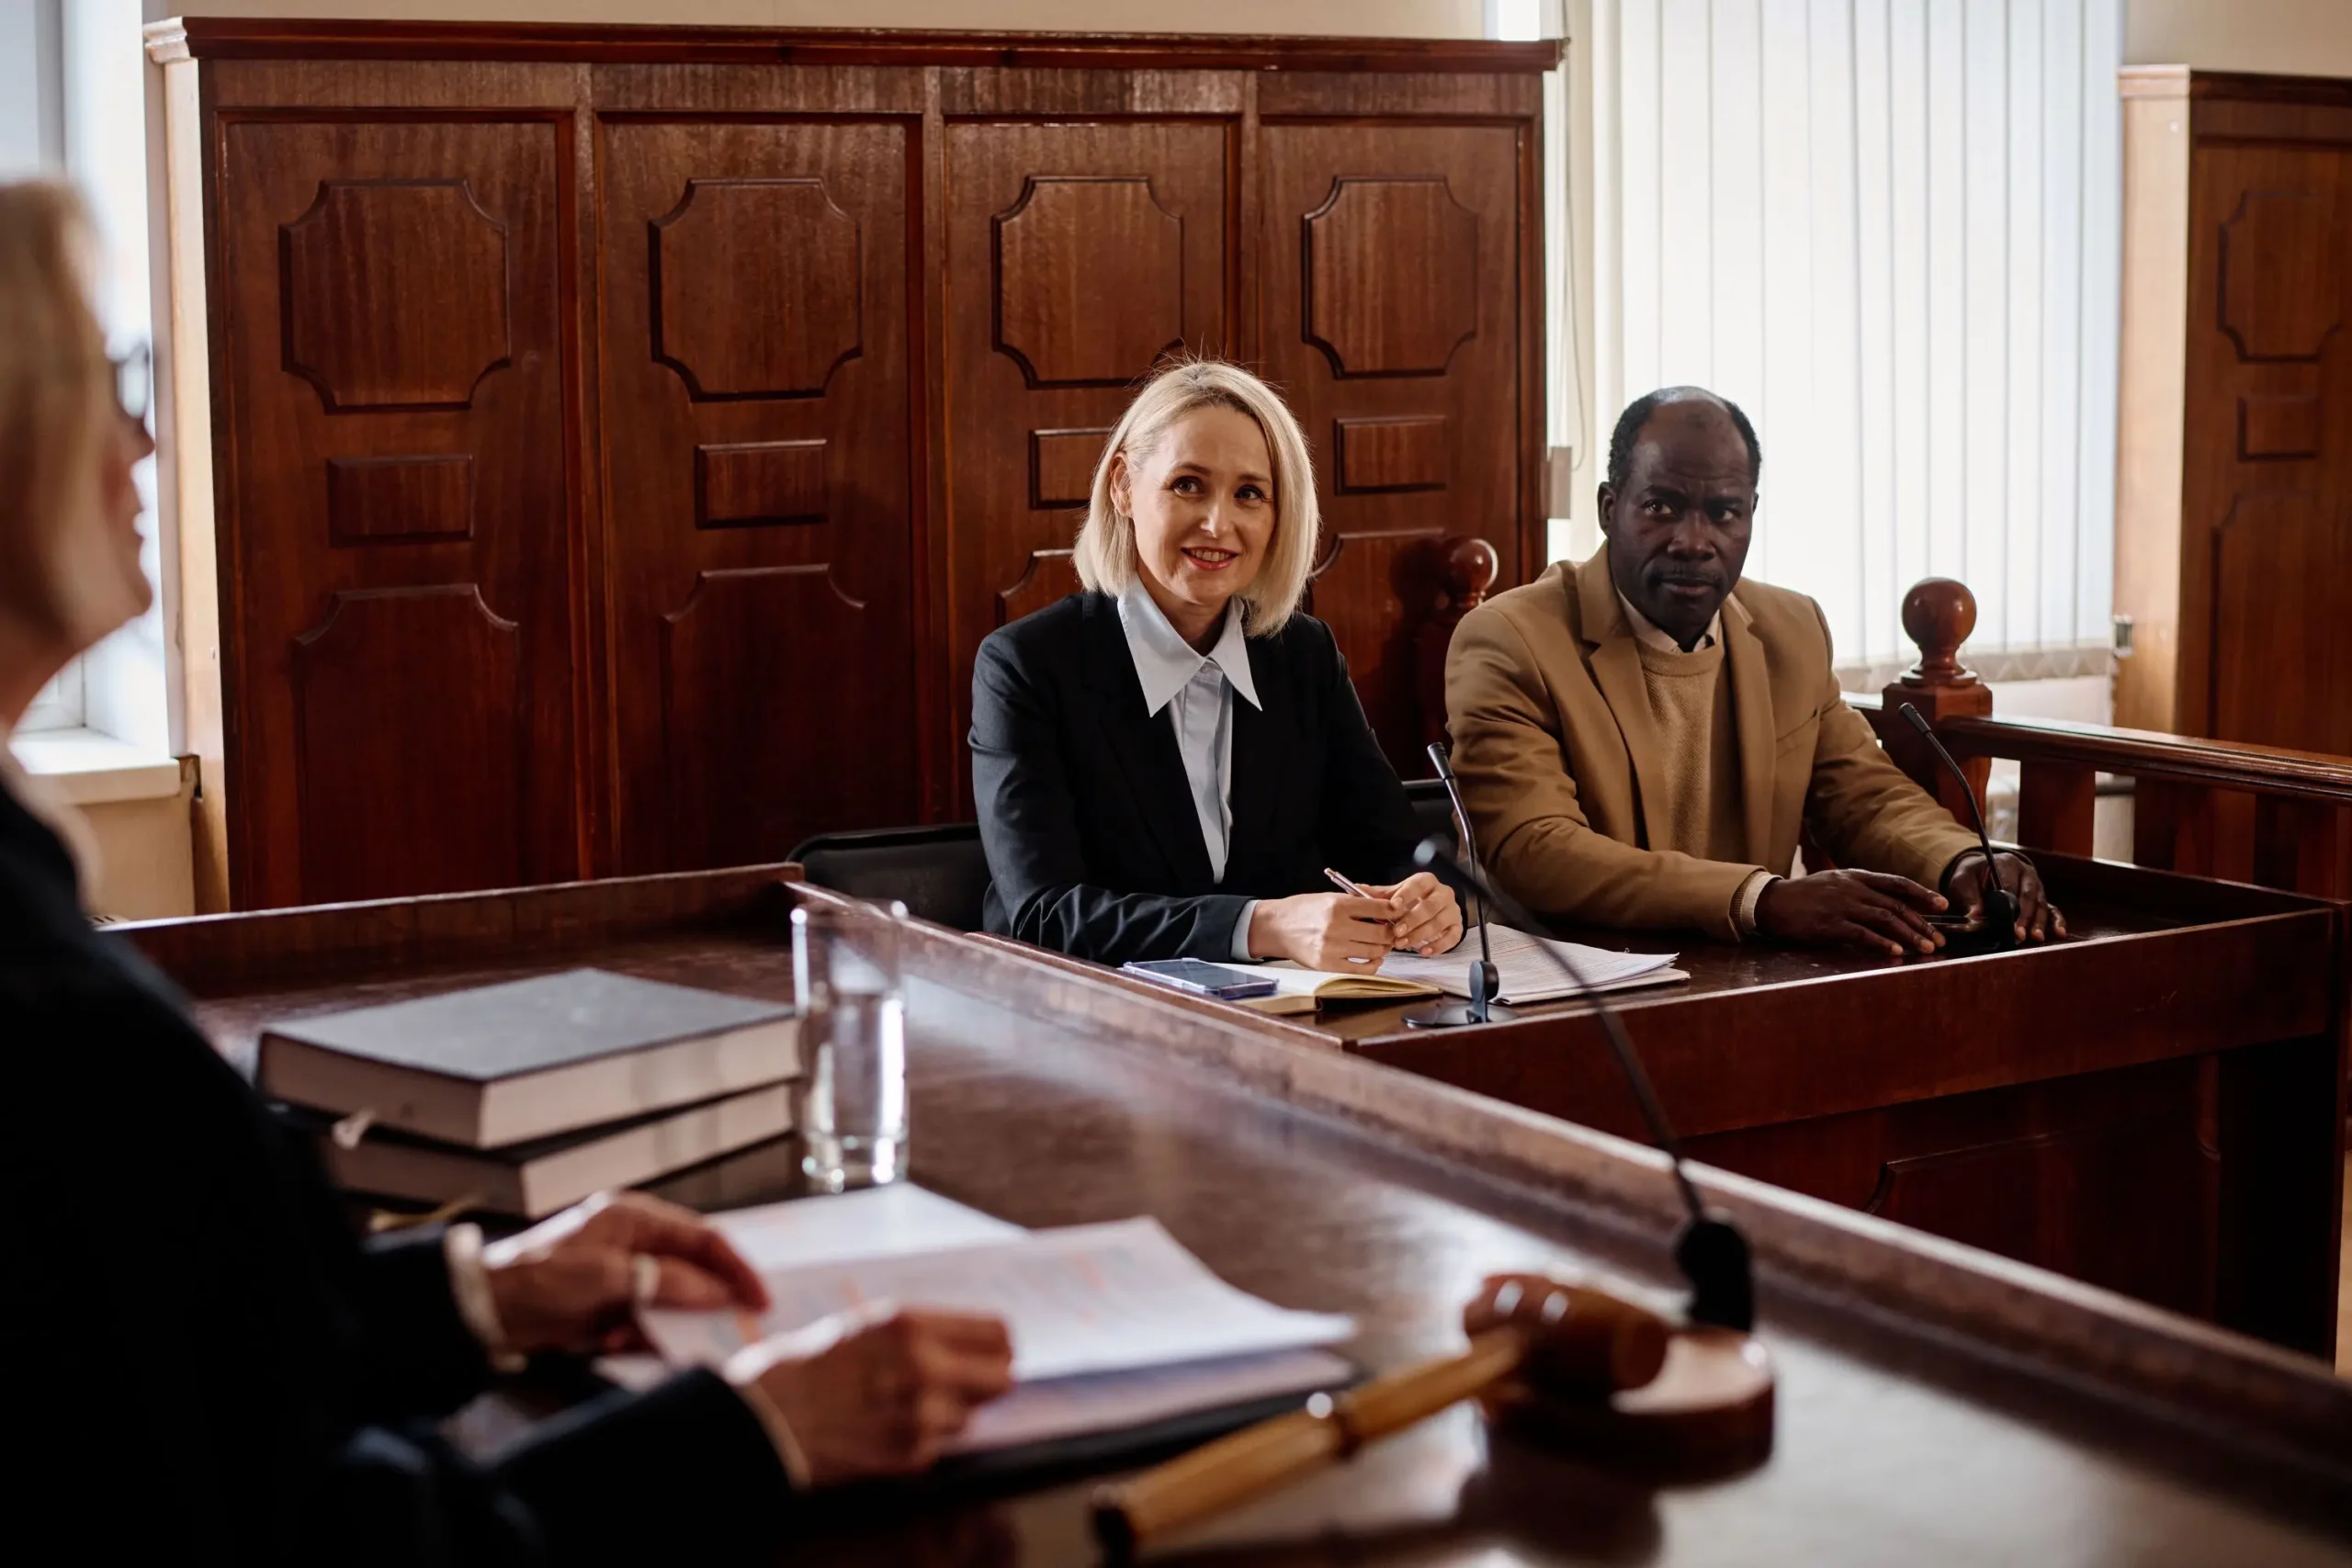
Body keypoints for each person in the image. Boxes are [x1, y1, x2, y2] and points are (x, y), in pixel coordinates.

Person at [0, 180, 1012, 1562]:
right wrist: (756, 1426)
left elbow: (182, 1345)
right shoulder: (53, 1017)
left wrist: (480, 1299)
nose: (147, 435)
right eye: (107, 382)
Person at [1444, 386, 2059, 956]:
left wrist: (1962, 861)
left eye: (1724, 512)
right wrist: (1761, 898)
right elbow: (1536, 850)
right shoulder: (1512, 639)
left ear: (1751, 515)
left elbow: (1864, 798)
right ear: (1610, 508)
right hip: (1572, 984)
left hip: (1738, 975)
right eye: (1661, 506)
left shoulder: (1789, 629)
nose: (1694, 540)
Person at [970, 358, 1463, 968]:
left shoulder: (1304, 656)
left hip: (1290, 1027)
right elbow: (1043, 915)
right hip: (1089, 1031)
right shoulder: (1028, 665)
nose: (1218, 523)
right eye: (1188, 484)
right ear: (1123, 485)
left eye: (1249, 494)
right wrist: (1261, 925)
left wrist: (1430, 901)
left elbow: (1393, 851)